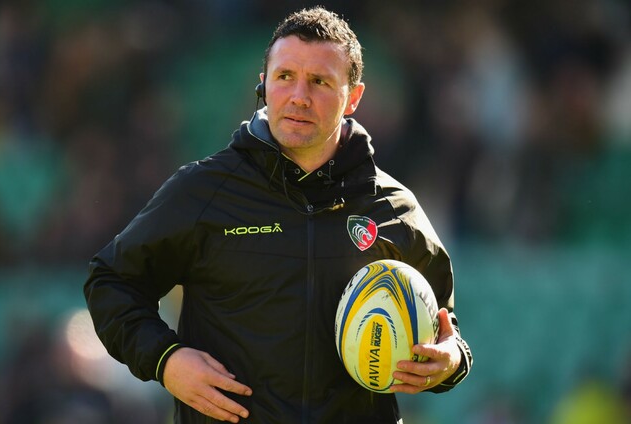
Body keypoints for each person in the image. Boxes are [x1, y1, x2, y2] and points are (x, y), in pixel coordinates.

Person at [84, 6, 473, 423]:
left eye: (320, 81)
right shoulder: (204, 190)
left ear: (353, 97)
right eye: (285, 76)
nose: (299, 96)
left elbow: (445, 329)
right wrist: (166, 359)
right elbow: (111, 281)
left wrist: (450, 361)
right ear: (264, 84)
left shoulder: (392, 207)